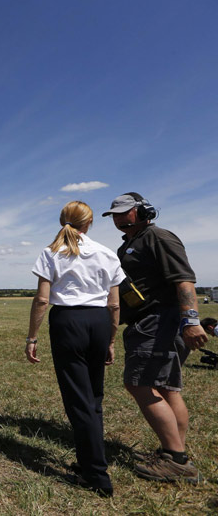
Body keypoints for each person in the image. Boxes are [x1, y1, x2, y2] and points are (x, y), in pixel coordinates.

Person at [103, 192, 208, 483]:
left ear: (143, 210)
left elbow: (183, 279)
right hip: (149, 322)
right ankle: (173, 452)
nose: (119, 218)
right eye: (115, 214)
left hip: (161, 322)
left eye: (125, 212)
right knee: (168, 388)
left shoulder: (159, 237)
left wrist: (191, 320)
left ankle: (176, 461)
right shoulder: (130, 244)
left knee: (139, 383)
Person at [24, 201, 123, 497]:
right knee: (94, 397)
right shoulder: (106, 253)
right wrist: (111, 339)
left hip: (68, 321)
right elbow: (114, 303)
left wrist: (32, 337)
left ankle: (96, 476)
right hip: (99, 320)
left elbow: (42, 300)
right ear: (89, 223)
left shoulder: (51, 252)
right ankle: (89, 461)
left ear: (61, 221)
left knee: (78, 400)